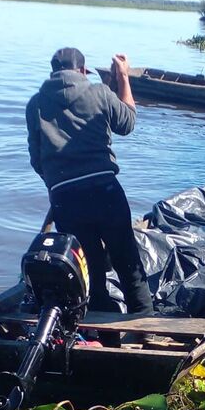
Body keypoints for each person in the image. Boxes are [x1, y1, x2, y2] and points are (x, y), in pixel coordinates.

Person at [26, 47, 154, 314]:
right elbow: (127, 123)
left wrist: (58, 184)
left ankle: (101, 334)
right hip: (104, 190)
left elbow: (37, 160)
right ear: (83, 71)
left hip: (64, 197)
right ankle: (144, 327)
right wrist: (125, 79)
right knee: (127, 261)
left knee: (89, 270)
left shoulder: (35, 104)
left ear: (53, 72)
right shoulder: (99, 92)